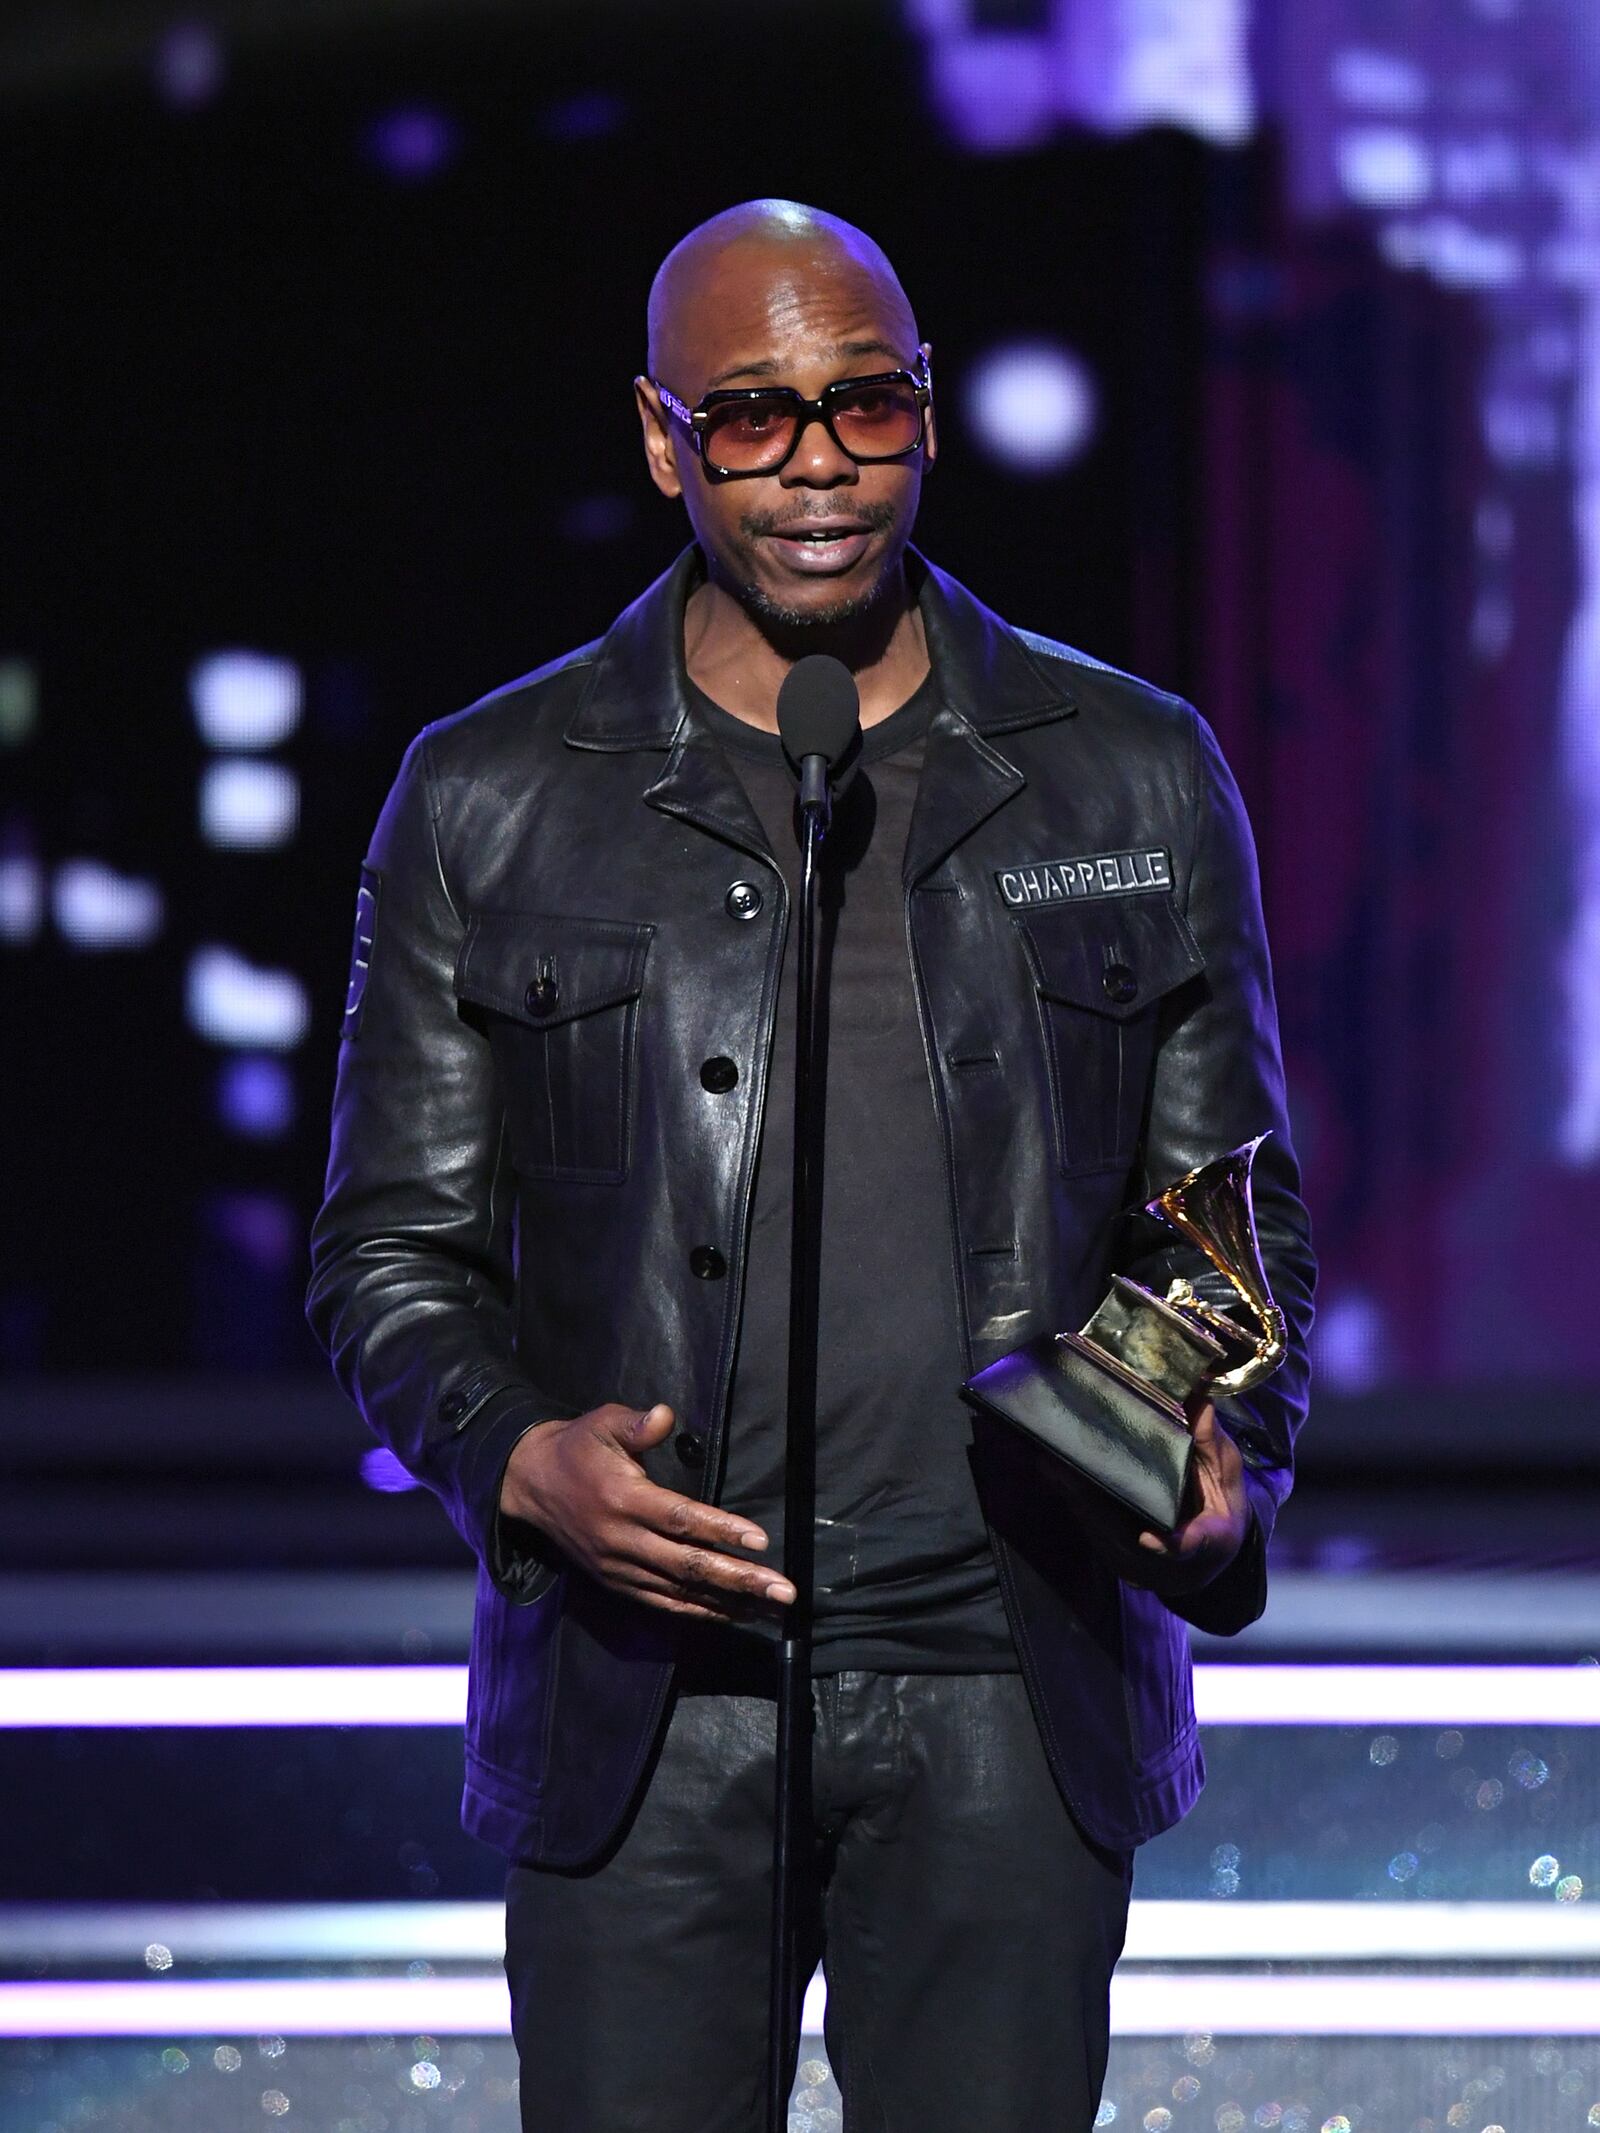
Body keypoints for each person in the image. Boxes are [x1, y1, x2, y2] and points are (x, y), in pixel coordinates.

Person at [307, 198, 1315, 2133]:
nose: (823, 464)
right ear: (664, 437)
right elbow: (390, 1251)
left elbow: (1237, 1207)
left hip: (1009, 1687)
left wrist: (1221, 1474)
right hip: (647, 1698)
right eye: (758, 417)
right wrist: (524, 1459)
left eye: (866, 404)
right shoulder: (490, 793)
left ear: (928, 415)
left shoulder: (1132, 767)